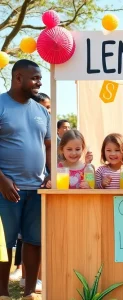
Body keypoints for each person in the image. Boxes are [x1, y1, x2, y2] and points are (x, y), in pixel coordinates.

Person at [0, 59, 51, 300]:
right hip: (6, 189)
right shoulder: (0, 104)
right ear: (18, 78)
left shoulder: (42, 111)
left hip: (37, 189)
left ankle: (30, 291)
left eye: (40, 78)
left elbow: (49, 146)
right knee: (3, 244)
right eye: (35, 78)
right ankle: (2, 293)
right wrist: (1, 180)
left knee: (34, 241)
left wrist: (51, 176)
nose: (39, 83)